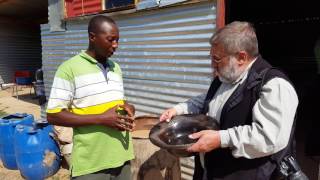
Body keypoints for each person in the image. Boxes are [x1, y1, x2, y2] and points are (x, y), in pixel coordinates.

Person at [160, 21, 299, 180]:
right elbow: (210, 100)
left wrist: (221, 139)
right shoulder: (228, 77)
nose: (213, 65)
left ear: (241, 57)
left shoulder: (275, 86)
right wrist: (179, 109)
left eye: (217, 59)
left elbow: (268, 137)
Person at [46, 15, 135, 180]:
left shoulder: (116, 68)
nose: (116, 45)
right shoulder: (69, 69)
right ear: (92, 37)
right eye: (111, 40)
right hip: (91, 163)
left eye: (117, 40)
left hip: (122, 157)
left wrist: (128, 107)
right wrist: (102, 119)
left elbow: (119, 101)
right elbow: (53, 115)